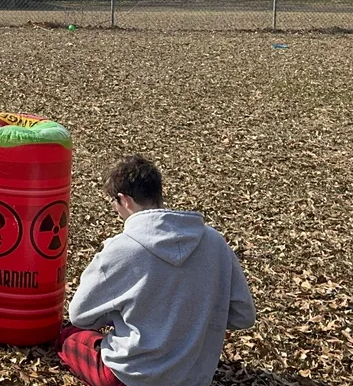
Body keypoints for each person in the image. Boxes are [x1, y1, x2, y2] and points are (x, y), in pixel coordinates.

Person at [60, 155, 255, 386]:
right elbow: (244, 316)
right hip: (193, 377)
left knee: (68, 336)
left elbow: (80, 315)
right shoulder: (214, 241)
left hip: (129, 377)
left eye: (113, 202)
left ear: (125, 200)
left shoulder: (121, 248)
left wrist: (118, 315)